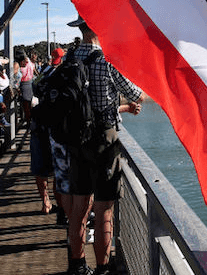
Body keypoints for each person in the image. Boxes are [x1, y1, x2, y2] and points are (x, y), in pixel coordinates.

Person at [64, 16, 146, 275]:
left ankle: (77, 266)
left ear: (81, 29)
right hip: (103, 140)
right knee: (104, 210)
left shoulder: (68, 59)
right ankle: (103, 268)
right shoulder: (107, 60)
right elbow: (137, 94)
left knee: (79, 208)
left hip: (76, 139)